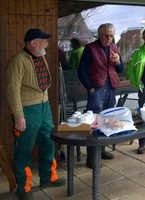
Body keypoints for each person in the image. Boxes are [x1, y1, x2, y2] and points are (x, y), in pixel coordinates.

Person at [5, 28, 66, 200]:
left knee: (48, 142)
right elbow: (12, 91)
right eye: (44, 40)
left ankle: (48, 178)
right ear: (33, 43)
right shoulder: (18, 61)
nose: (47, 43)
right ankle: (24, 188)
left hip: (43, 107)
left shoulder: (41, 57)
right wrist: (18, 115)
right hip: (26, 111)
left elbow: (42, 84)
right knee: (24, 149)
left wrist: (45, 106)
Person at [77, 23, 124, 168]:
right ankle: (91, 158)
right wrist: (90, 88)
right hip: (96, 89)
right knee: (95, 123)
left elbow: (120, 69)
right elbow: (81, 71)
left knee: (108, 120)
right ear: (99, 35)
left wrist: (118, 62)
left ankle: (102, 150)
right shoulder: (90, 48)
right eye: (106, 36)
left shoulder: (114, 48)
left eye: (111, 36)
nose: (109, 39)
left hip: (111, 87)